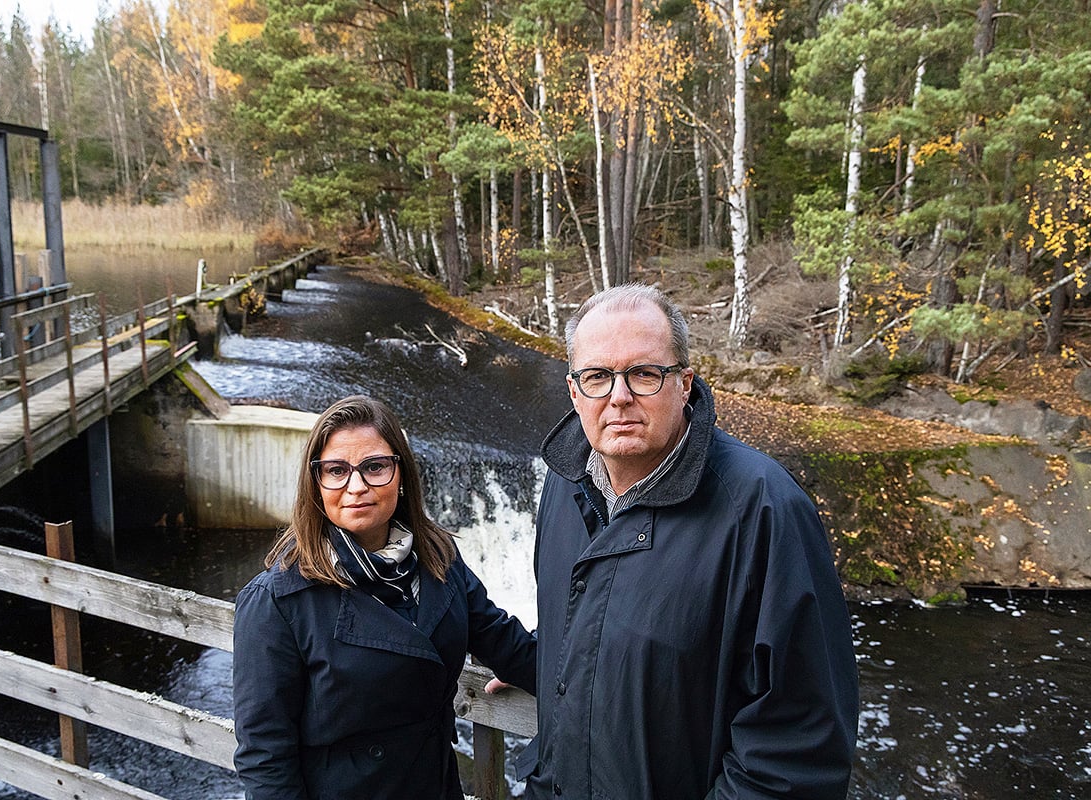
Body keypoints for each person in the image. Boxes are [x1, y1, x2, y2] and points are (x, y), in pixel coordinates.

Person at [525, 284, 858, 799]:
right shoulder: (564, 480)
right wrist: (541, 668)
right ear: (574, 391)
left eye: (644, 374)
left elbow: (799, 747)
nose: (619, 397)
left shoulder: (764, 508)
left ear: (684, 384)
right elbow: (588, 620)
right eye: (597, 376)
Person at [233, 394, 537, 800]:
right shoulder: (278, 600)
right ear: (316, 483)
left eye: (375, 467)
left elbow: (504, 642)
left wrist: (588, 671)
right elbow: (264, 757)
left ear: (401, 473)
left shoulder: (438, 558)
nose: (356, 486)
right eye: (336, 470)